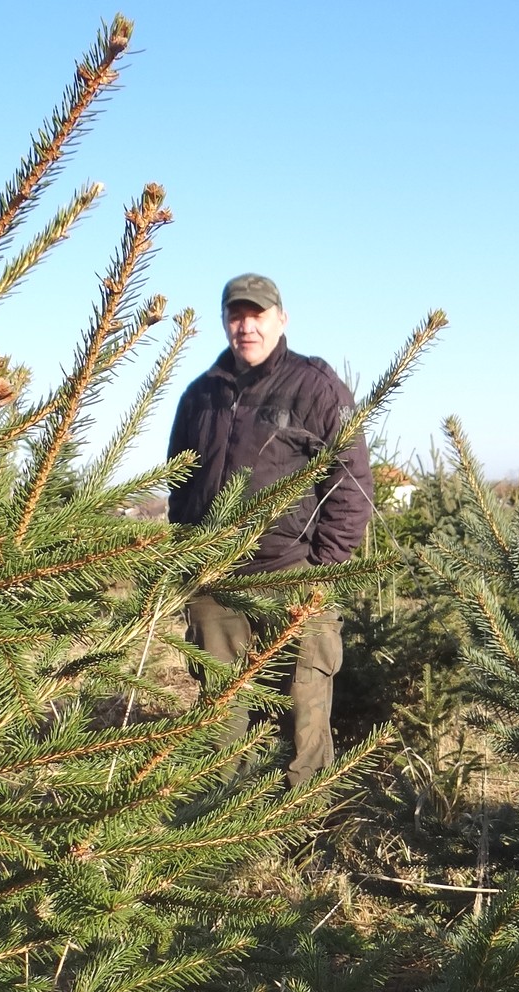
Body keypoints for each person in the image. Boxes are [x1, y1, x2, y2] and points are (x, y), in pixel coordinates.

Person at [166, 273, 372, 788]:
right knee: (221, 710)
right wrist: (188, 560)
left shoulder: (315, 386)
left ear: (281, 319)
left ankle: (301, 818)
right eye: (236, 315)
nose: (246, 325)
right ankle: (221, 820)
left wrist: (324, 564)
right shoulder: (201, 395)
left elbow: (352, 480)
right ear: (224, 322)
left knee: (305, 705)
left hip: (293, 575)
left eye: (257, 314)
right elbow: (178, 480)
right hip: (217, 582)